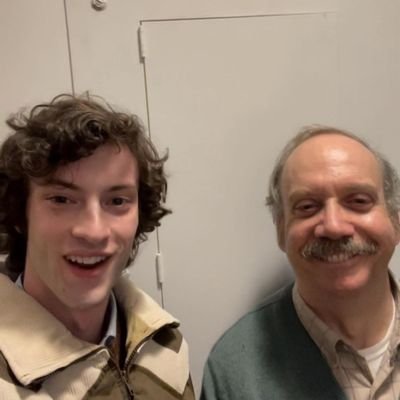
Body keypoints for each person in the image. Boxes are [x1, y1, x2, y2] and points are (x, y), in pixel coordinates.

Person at [0, 93, 194, 399]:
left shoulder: (166, 348)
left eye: (117, 201)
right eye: (61, 199)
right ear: (19, 214)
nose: (93, 231)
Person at [201, 126, 400, 400]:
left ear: (396, 220)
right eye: (307, 206)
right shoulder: (233, 369)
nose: (333, 226)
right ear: (280, 229)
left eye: (358, 201)